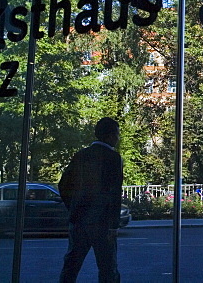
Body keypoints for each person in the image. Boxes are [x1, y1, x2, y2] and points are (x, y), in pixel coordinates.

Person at [58, 117, 123, 283]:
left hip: (79, 220)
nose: (118, 138)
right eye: (117, 134)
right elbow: (114, 194)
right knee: (108, 268)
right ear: (109, 136)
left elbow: (64, 184)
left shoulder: (81, 155)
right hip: (102, 224)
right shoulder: (114, 158)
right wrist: (114, 225)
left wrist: (73, 207)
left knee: (71, 266)